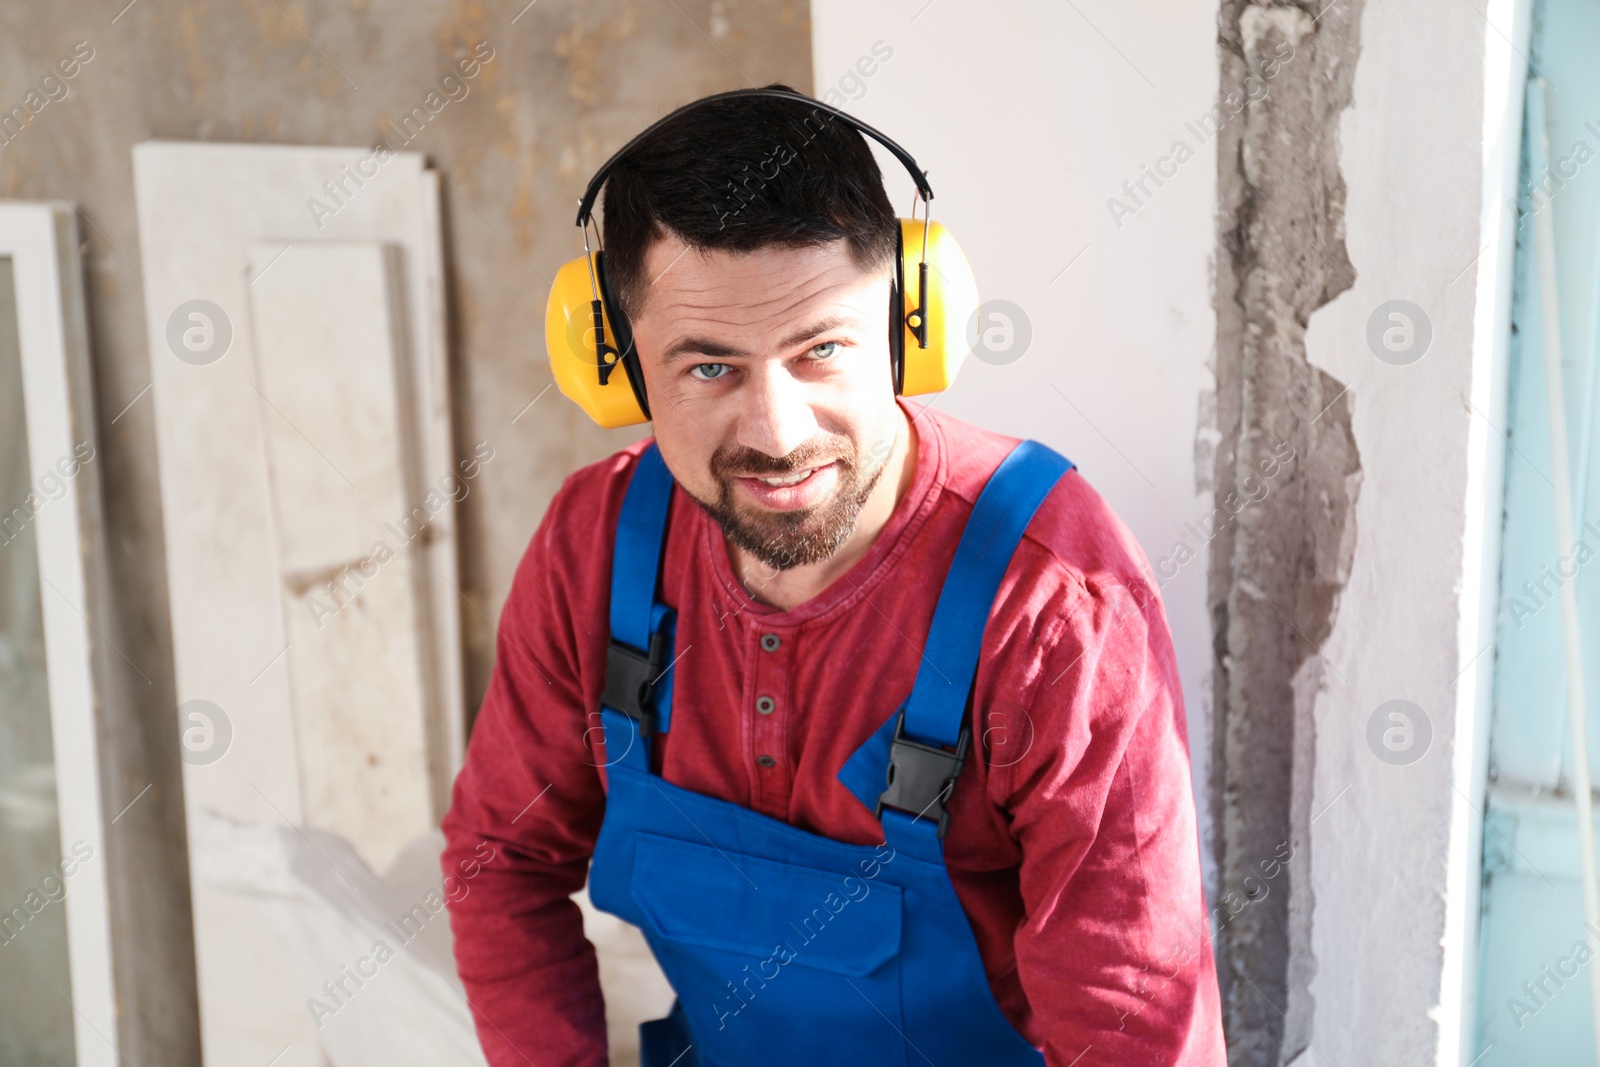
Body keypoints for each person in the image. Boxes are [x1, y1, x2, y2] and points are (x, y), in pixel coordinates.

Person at [440, 85, 1226, 1066]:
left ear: (909, 323)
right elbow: (499, 861)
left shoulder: (1052, 599)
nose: (776, 432)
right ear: (617, 362)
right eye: (707, 368)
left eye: (821, 349)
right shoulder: (595, 546)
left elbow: (1131, 1025)